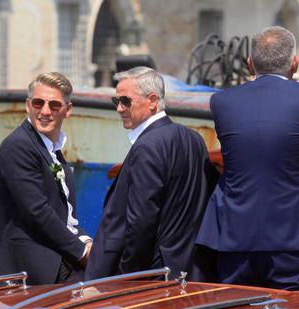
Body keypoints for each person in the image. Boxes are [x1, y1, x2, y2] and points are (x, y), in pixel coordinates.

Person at [195, 26, 299, 290]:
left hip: (233, 237)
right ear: (295, 64)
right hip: (294, 240)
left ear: (250, 64)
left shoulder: (221, 102)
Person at [85, 66, 218, 281]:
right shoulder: (194, 139)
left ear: (153, 101)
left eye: (125, 101)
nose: (119, 108)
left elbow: (141, 223)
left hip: (155, 276)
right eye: (115, 101)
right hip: (190, 270)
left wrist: (127, 278)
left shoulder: (147, 146)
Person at [0, 72, 92, 285]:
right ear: (28, 105)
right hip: (25, 271)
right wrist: (81, 252)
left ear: (68, 110)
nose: (45, 111)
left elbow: (64, 214)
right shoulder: (18, 146)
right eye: (39, 103)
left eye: (54, 105)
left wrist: (86, 241)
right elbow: (37, 212)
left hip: (52, 261)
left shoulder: (52, 150)